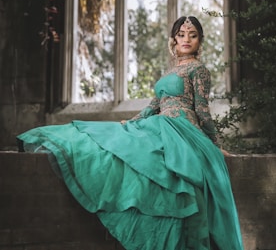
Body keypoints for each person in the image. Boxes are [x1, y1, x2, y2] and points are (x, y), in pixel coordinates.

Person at [17, 16, 244, 250]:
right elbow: (154, 105)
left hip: (183, 127)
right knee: (114, 142)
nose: (186, 39)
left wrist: (214, 144)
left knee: (169, 174)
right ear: (174, 40)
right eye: (181, 34)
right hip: (160, 122)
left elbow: (202, 110)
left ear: (200, 41)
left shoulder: (199, 69)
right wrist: (132, 121)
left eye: (193, 35)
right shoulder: (171, 71)